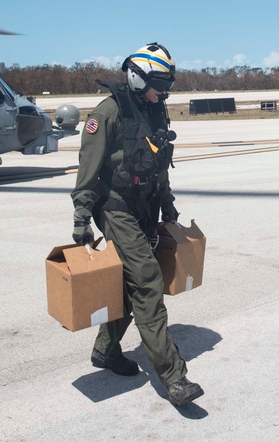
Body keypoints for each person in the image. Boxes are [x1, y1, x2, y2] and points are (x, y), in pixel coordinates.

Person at [70, 43, 203, 407]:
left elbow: (158, 165)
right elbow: (88, 169)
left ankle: (106, 352)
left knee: (130, 287)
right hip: (115, 208)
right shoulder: (108, 112)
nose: (165, 90)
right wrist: (82, 218)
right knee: (147, 281)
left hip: (145, 207)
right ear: (137, 75)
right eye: (159, 82)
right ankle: (175, 377)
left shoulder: (155, 109)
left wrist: (168, 208)